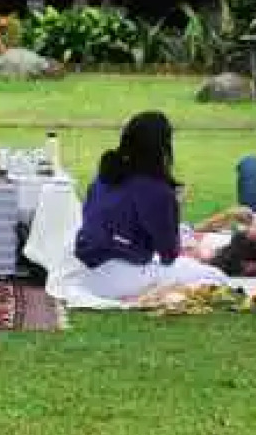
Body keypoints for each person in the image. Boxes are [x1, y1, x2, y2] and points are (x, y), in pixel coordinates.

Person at [73, 111, 227, 300]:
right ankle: (147, 295)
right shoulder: (156, 190)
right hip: (120, 278)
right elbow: (169, 254)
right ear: (163, 147)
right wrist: (173, 207)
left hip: (86, 276)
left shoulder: (104, 177)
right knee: (216, 276)